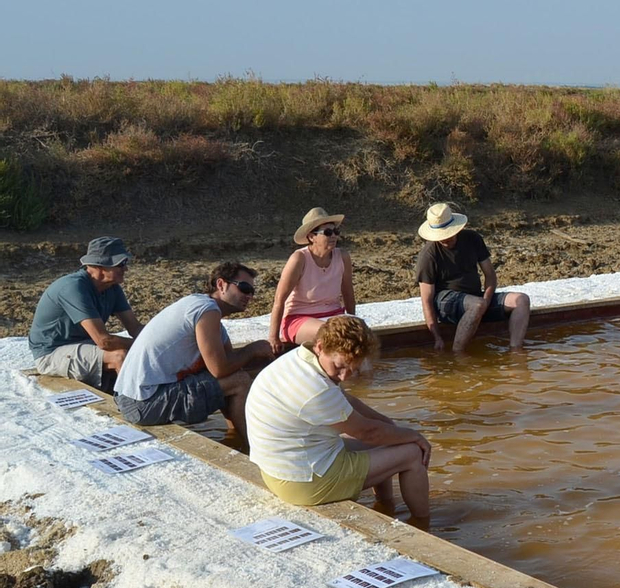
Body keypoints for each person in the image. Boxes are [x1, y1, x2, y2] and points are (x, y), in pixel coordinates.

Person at [245, 315, 432, 524]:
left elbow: (346, 400)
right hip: (304, 482)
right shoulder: (315, 388)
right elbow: (368, 433)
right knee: (412, 453)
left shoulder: (300, 359)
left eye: (353, 369)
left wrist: (389, 424)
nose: (344, 376)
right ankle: (424, 525)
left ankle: (386, 507)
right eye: (340, 366)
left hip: (281, 470)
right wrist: (415, 436)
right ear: (320, 346)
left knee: (390, 437)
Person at [114, 263, 274, 440]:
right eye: (244, 288)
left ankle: (237, 438)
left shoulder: (202, 308)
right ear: (221, 285)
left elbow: (232, 362)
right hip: (143, 404)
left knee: (236, 377)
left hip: (132, 397)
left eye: (252, 291)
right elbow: (220, 369)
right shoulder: (207, 311)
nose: (249, 296)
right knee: (239, 382)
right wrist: (253, 349)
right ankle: (252, 447)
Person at [28, 237, 144, 390]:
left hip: (82, 344)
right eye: (121, 264)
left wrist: (162, 341)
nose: (126, 269)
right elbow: (104, 341)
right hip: (51, 353)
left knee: (138, 352)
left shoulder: (112, 288)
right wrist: (143, 345)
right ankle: (136, 407)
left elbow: (135, 327)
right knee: (119, 355)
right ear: (100, 266)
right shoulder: (73, 288)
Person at [415, 202, 532, 353]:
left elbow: (490, 274)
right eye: (441, 237)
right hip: (446, 301)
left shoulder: (472, 238)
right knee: (476, 305)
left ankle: (516, 351)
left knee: (521, 300)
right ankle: (458, 354)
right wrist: (437, 336)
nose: (445, 240)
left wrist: (486, 300)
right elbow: (426, 299)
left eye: (448, 235)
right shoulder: (428, 255)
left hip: (475, 298)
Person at [267, 207, 357, 354]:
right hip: (299, 319)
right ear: (311, 237)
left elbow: (348, 293)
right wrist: (273, 337)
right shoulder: (299, 259)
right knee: (333, 334)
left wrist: (353, 320)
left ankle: (355, 376)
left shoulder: (343, 256)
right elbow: (279, 299)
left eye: (336, 232)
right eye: (327, 233)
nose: (333, 236)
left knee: (362, 334)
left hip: (334, 315)